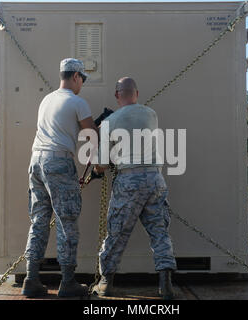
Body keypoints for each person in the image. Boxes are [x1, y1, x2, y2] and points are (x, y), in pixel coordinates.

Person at [91, 77, 177, 299]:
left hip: (129, 180)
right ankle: (165, 284)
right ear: (136, 94)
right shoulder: (151, 114)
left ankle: (106, 282)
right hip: (155, 178)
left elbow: (101, 164)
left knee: (117, 232)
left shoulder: (110, 121)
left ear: (117, 95)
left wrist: (97, 167)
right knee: (160, 232)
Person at [22, 58, 98, 298]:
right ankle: (67, 282)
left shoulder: (47, 100)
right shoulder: (77, 102)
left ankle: (31, 279)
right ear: (75, 76)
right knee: (67, 222)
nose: (82, 84)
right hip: (58, 161)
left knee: (39, 221)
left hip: (36, 161)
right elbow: (91, 135)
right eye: (83, 79)